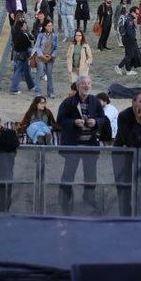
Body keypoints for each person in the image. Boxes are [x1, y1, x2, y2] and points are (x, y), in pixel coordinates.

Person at [56, 75, 106, 215]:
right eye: (83, 83)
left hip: (90, 145)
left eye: (89, 83)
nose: (86, 86)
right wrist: (73, 123)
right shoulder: (68, 102)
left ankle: (89, 200)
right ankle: (64, 201)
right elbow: (59, 120)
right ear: (78, 86)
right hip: (73, 145)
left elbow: (103, 118)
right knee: (68, 174)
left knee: (91, 175)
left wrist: (95, 122)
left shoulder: (95, 101)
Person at [33, 18, 59, 98]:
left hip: (50, 58)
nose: (50, 27)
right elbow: (37, 46)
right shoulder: (41, 35)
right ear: (45, 27)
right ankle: (37, 91)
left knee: (50, 75)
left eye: (51, 26)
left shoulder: (55, 36)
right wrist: (42, 55)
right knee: (40, 73)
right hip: (41, 57)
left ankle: (50, 92)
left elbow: (57, 48)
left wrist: (52, 56)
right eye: (49, 26)